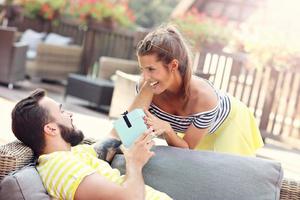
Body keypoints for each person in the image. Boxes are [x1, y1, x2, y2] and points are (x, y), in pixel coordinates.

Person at [124, 24, 263, 156]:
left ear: (173, 65)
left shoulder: (204, 98)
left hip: (229, 123)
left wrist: (168, 130)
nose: (146, 77)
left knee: (229, 175)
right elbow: (127, 131)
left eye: (151, 69)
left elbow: (187, 149)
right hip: (199, 130)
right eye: (143, 69)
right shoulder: (147, 86)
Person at [11, 89, 172, 200]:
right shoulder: (58, 166)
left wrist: (149, 84)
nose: (70, 114)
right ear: (51, 128)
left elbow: (119, 133)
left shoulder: (74, 153)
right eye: (61, 112)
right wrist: (135, 163)